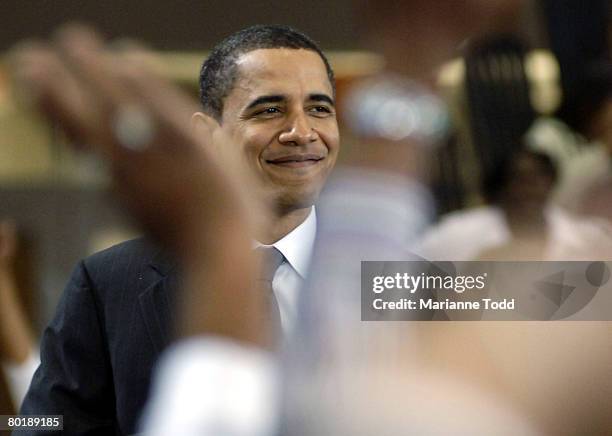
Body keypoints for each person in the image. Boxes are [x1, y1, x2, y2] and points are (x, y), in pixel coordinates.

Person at [15, 24, 339, 435]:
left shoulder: (409, 279)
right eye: (270, 110)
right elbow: (41, 423)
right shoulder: (106, 283)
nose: (302, 132)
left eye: (320, 108)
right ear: (207, 133)